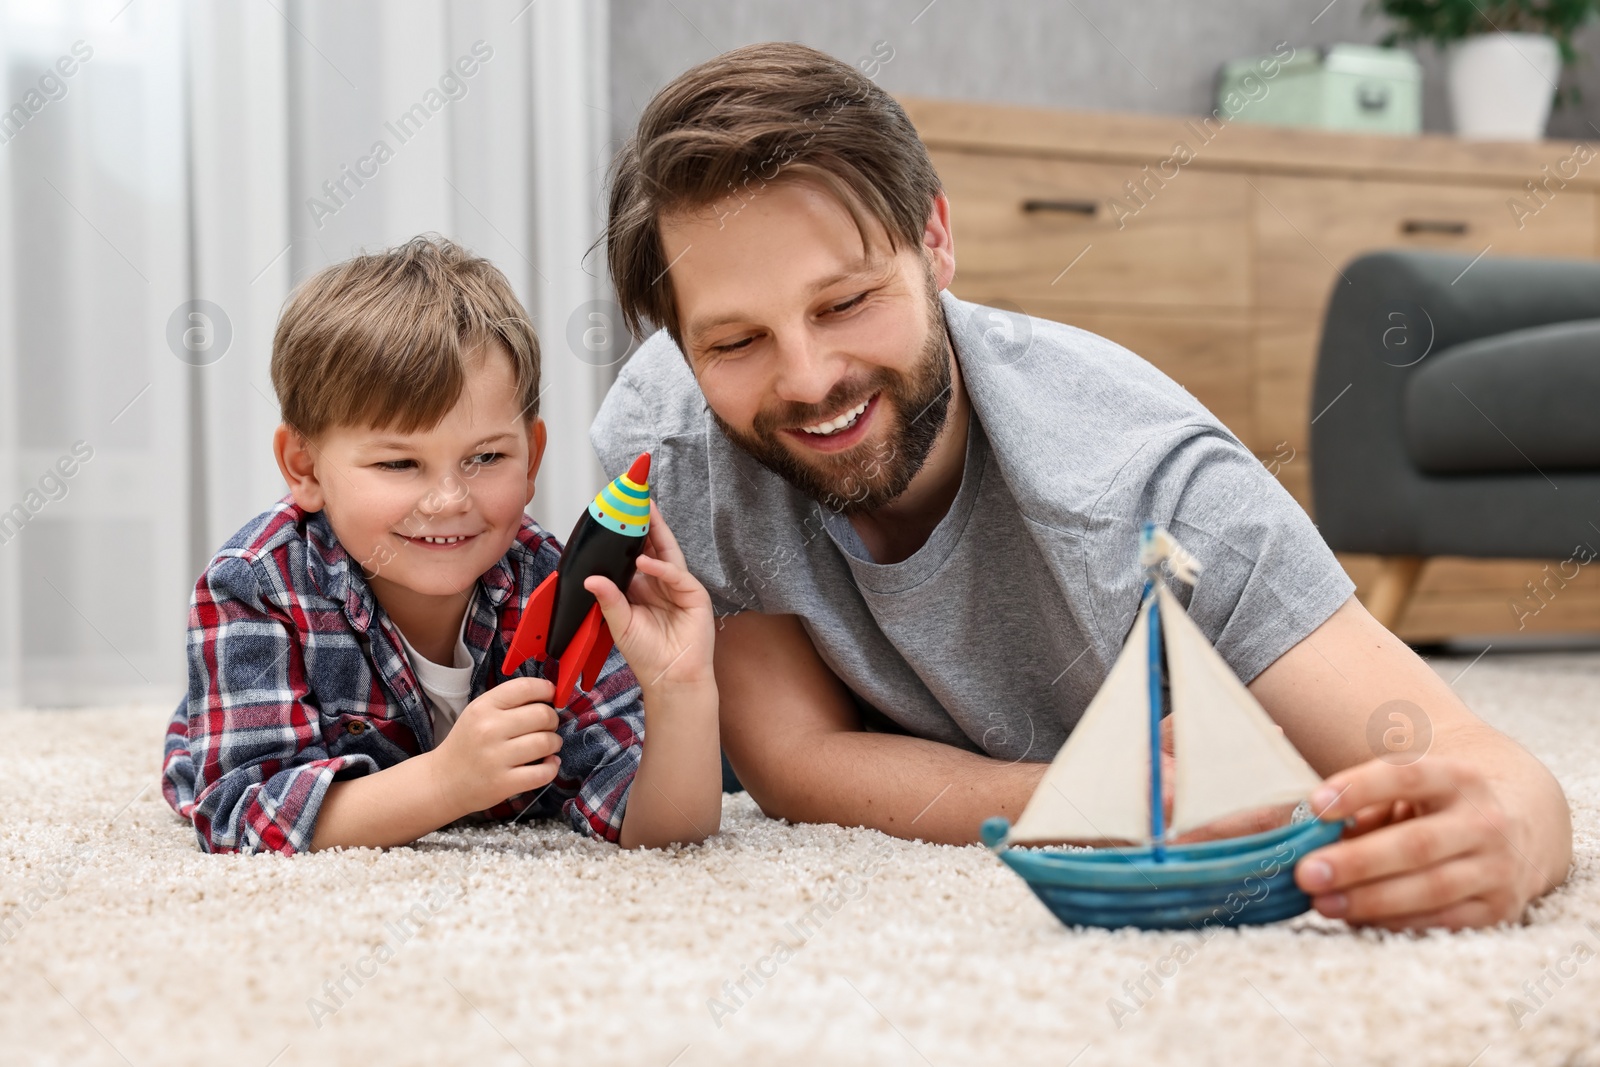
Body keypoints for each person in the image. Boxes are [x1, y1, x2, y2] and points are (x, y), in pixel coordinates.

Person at [590, 42, 1572, 930]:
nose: (805, 379)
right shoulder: (676, 436)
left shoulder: (1157, 485)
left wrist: (1509, 835)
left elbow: (1488, 767)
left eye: (845, 301)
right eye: (734, 340)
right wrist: (1092, 794)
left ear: (934, 240)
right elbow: (794, 758)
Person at [162, 235, 720, 855]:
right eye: (400, 463)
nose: (449, 500)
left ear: (531, 457)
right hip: (241, 734)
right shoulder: (254, 584)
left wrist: (680, 688)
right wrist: (446, 783)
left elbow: (670, 833)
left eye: (485, 456)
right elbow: (243, 816)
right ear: (306, 469)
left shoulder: (558, 585)